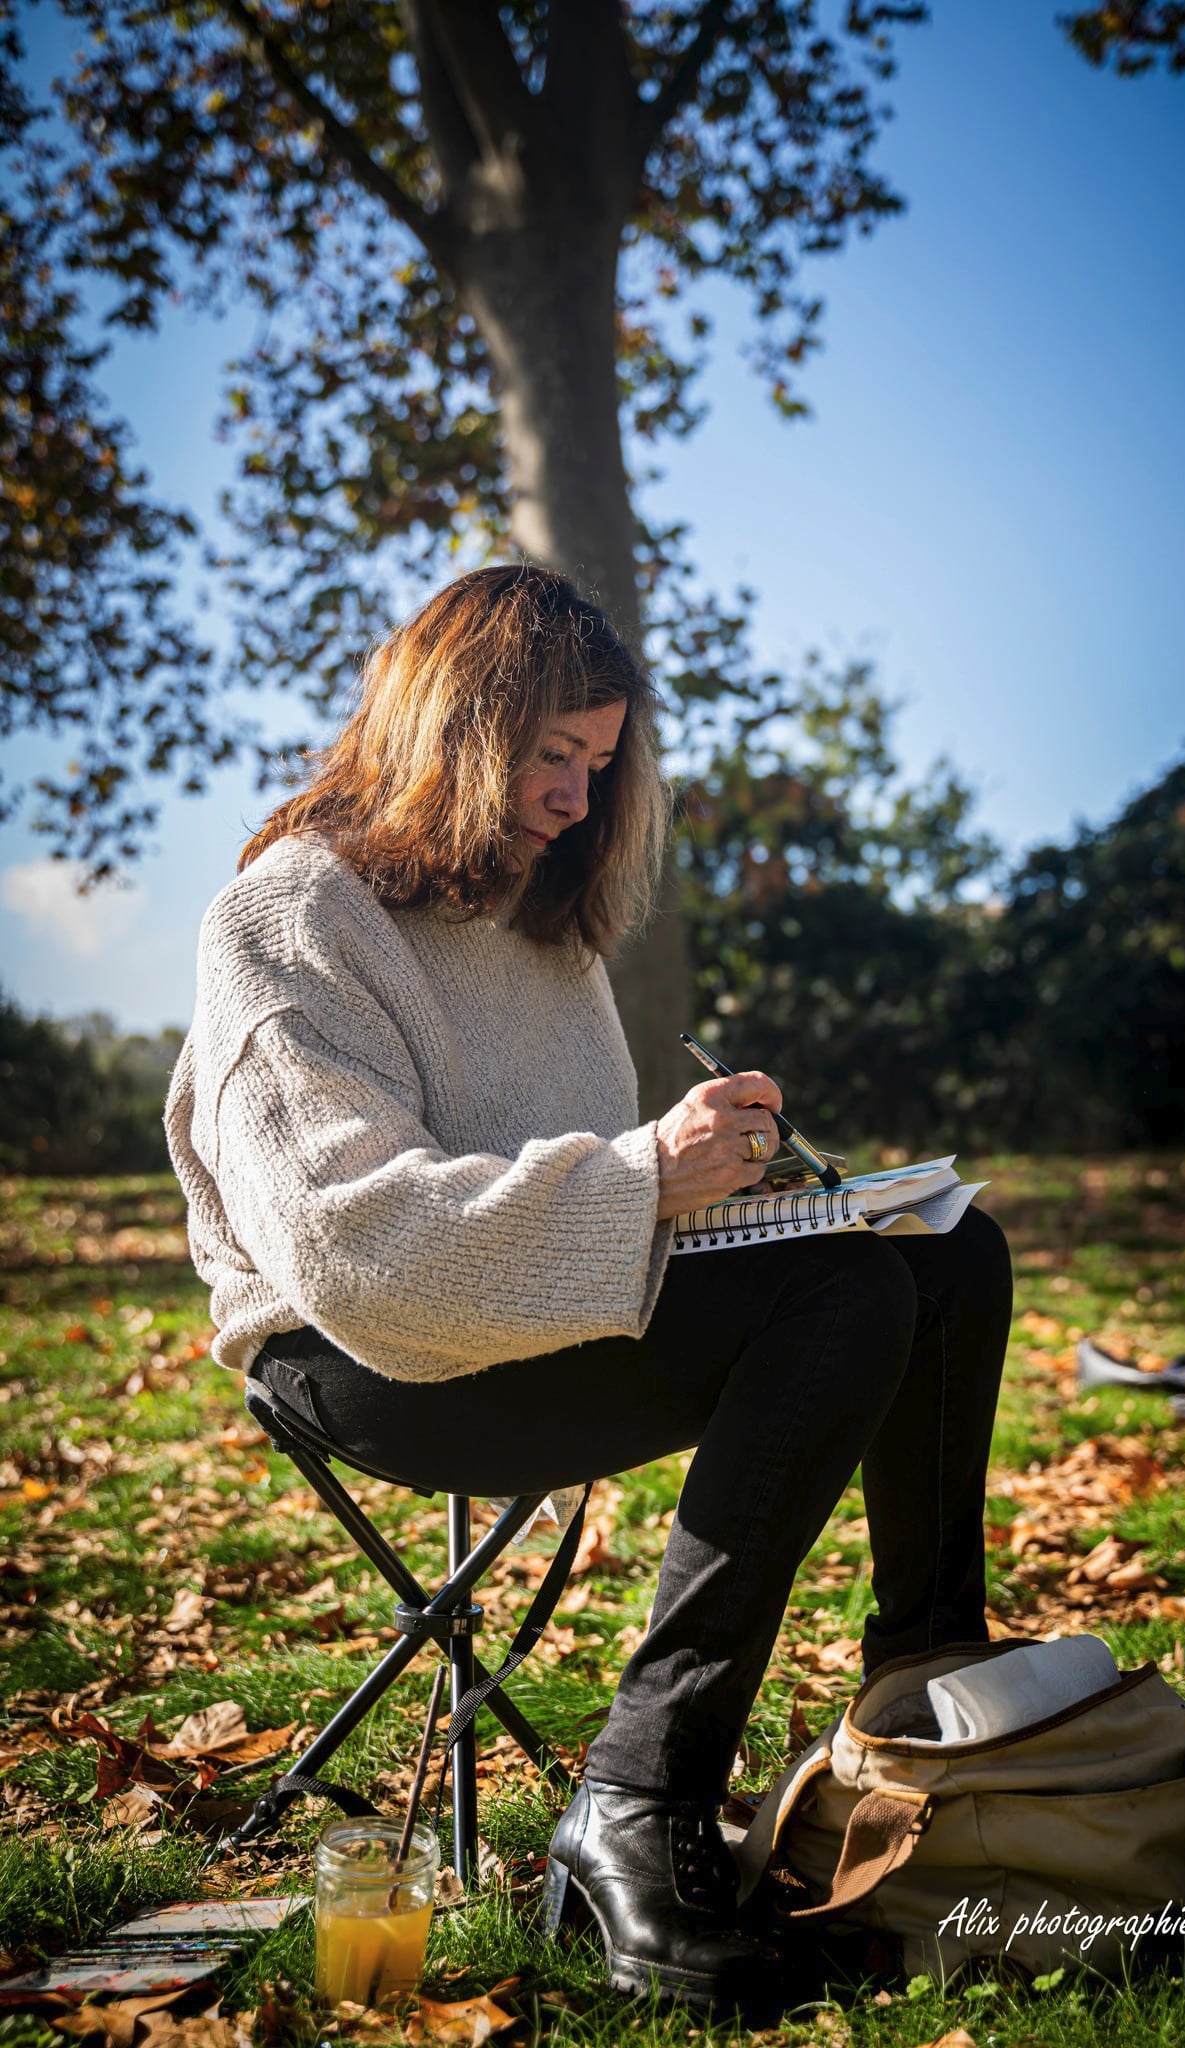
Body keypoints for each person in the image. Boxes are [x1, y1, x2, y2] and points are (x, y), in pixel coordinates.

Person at [164, 564, 1012, 2012]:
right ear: (455, 723)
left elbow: (590, 1190)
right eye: (550, 754)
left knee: (939, 1251)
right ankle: (639, 1798)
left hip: (530, 1313)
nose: (573, 795)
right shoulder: (291, 916)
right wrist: (640, 1182)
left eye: (598, 764)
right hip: (365, 1358)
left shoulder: (547, 926)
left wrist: (729, 1190)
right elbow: (356, 1251)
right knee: (845, 1302)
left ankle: (921, 1694)